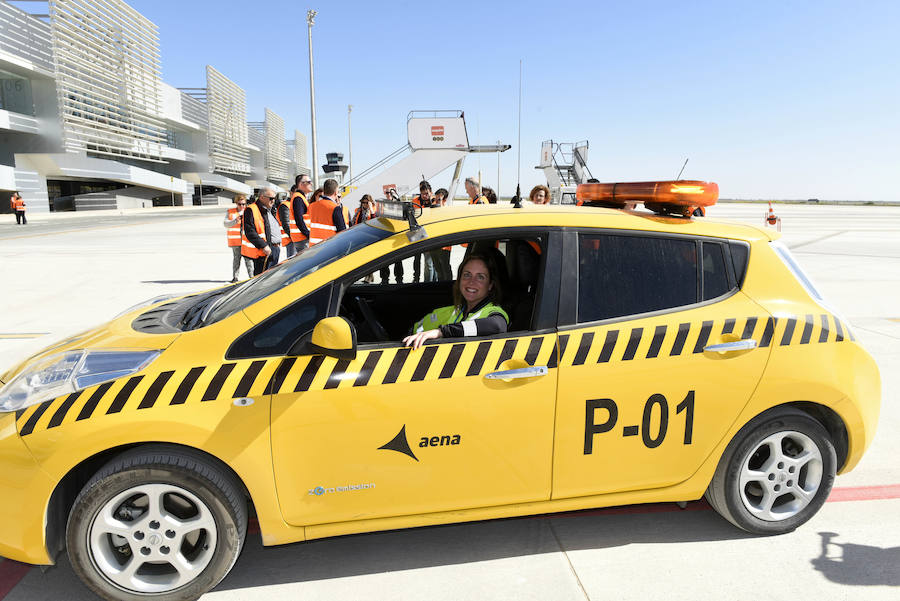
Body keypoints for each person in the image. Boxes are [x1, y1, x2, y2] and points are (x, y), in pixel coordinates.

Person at [403, 254, 509, 349]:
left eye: (480, 277)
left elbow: (498, 325)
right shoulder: (453, 311)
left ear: (490, 285)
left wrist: (441, 332)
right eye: (467, 275)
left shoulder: (493, 311)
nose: (472, 282)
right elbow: (416, 329)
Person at [242, 187, 282, 274]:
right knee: (263, 279)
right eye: (271, 198)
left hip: (275, 248)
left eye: (274, 198)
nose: (273, 201)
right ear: (262, 197)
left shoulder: (270, 209)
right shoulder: (252, 209)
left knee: (271, 277)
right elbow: (249, 231)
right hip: (264, 251)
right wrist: (264, 246)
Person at [308, 178, 347, 245]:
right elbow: (342, 232)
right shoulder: (335, 208)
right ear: (336, 192)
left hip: (313, 246)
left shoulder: (311, 206)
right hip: (328, 247)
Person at [224, 194, 253, 282]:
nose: (242, 206)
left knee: (249, 260)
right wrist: (235, 220)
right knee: (236, 260)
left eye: (243, 204)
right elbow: (226, 224)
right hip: (235, 241)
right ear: (236, 204)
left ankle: (251, 277)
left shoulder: (249, 211)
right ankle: (235, 277)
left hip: (246, 241)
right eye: (240, 204)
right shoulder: (231, 212)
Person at [285, 175, 312, 256]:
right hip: (302, 238)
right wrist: (308, 234)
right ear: (301, 184)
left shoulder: (300, 197)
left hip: (301, 238)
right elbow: (299, 220)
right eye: (309, 182)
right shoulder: (298, 198)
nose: (311, 184)